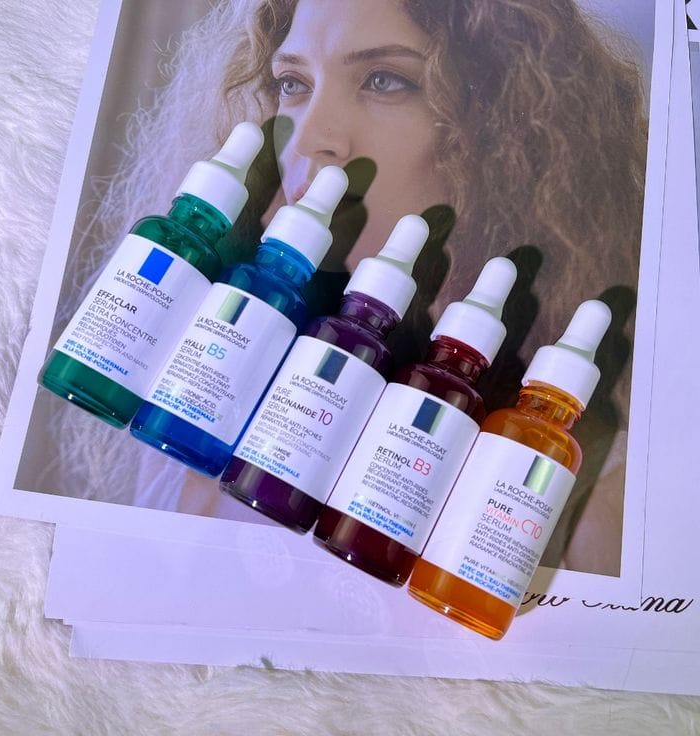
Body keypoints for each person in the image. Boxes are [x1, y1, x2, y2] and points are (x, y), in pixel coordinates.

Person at [33, 0, 649, 575]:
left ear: (502, 127)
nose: (308, 139)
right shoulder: (214, 375)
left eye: (384, 80)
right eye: (292, 84)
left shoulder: (582, 494)